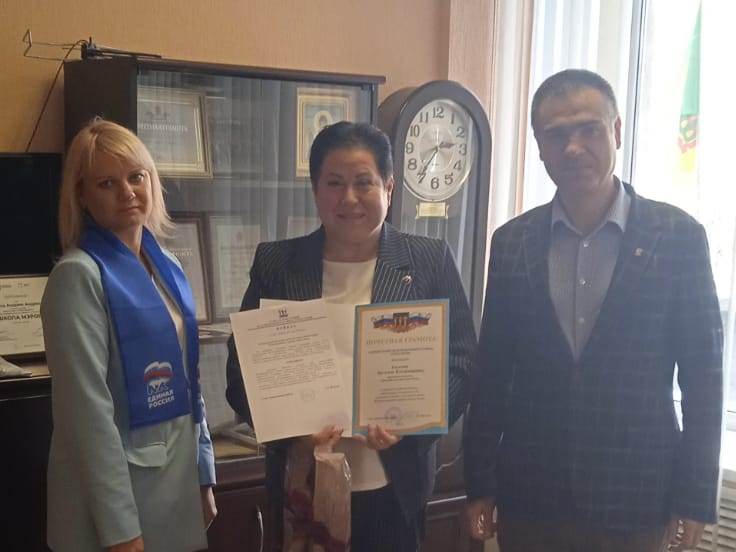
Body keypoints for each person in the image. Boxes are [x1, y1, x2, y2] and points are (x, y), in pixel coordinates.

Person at [463, 69, 723, 552]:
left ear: (617, 131)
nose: (573, 147)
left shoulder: (678, 237)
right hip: (531, 496)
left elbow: (703, 379)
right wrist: (479, 482)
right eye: (556, 135)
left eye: (589, 129)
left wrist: (694, 496)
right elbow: (493, 372)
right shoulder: (512, 242)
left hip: (634, 495)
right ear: (539, 146)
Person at [225, 121, 476, 551]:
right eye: (334, 183)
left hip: (394, 489)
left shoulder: (429, 259)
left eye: (364, 182)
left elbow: (462, 361)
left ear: (389, 188)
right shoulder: (278, 263)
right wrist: (291, 431)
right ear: (315, 189)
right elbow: (241, 372)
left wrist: (412, 426)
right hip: (303, 489)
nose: (349, 198)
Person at [41, 119, 217, 552]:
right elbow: (86, 416)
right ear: (82, 195)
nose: (127, 192)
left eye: (136, 176)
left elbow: (191, 379)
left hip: (176, 488)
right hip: (115, 506)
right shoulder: (77, 277)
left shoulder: (169, 266)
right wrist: (121, 530)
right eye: (107, 183)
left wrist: (204, 472)